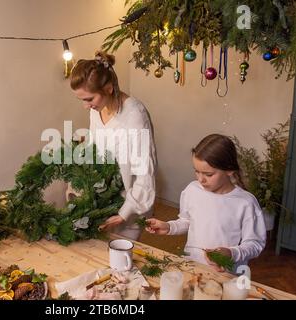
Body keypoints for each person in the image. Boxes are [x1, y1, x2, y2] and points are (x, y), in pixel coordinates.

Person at [146, 134, 266, 272]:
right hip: (191, 266)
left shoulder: (245, 203)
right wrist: (169, 227)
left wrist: (231, 253)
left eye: (208, 175)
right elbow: (187, 221)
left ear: (229, 170)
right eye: (197, 172)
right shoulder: (192, 190)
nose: (201, 180)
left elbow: (255, 244)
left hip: (224, 274)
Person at [70, 51, 157, 241]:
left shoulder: (135, 115)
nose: (86, 106)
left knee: (121, 258)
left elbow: (144, 172)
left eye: (89, 99)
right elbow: (94, 148)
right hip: (103, 197)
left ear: (109, 88)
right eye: (82, 100)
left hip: (128, 203)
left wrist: (125, 212)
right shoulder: (96, 110)